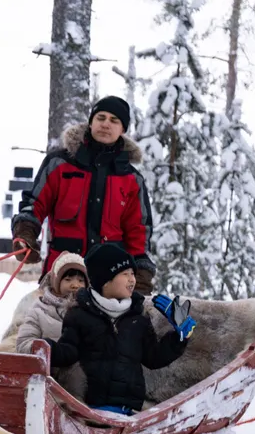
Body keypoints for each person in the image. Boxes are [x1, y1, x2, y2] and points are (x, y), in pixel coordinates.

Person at [12, 96, 158, 295]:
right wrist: (25, 232)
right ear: (91, 122)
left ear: (123, 129)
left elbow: (138, 232)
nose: (106, 124)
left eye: (114, 120)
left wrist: (140, 271)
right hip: (62, 275)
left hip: (109, 281)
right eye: (101, 117)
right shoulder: (59, 164)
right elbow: (34, 203)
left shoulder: (132, 179)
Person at [50, 243, 196, 416]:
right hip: (91, 410)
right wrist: (47, 347)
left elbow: (153, 357)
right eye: (125, 274)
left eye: (133, 274)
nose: (132, 279)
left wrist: (179, 337)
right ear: (105, 280)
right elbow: (68, 352)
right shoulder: (79, 315)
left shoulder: (138, 316)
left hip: (129, 411)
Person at [15, 252, 87, 355]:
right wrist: (42, 349)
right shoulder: (39, 311)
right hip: (50, 364)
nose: (75, 285)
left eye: (81, 280)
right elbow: (23, 343)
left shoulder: (91, 310)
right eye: (68, 279)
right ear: (56, 282)